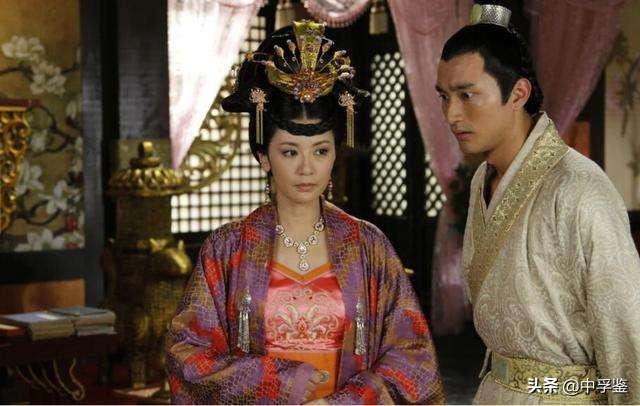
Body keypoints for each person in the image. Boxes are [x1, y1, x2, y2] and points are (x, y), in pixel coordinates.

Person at [165, 20, 444, 404]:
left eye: (321, 151)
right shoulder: (228, 248)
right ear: (264, 156)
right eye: (290, 151)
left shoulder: (367, 245)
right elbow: (186, 352)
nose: (307, 168)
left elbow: (414, 357)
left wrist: (346, 402)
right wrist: (279, 381)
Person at [436, 2, 640, 404]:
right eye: (444, 97)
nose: (452, 114)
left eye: (467, 95)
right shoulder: (480, 181)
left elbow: (627, 339)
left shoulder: (580, 189)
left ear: (518, 94)